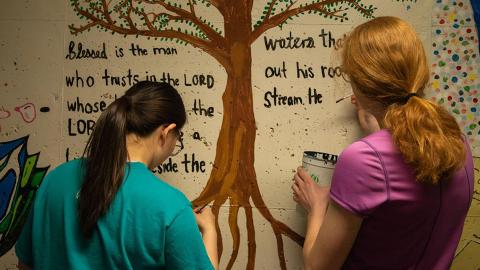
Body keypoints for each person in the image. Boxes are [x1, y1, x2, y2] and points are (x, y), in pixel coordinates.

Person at [292, 16, 474, 270]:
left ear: (359, 85)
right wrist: (374, 128)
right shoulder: (457, 142)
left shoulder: (362, 160)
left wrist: (317, 208)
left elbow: (318, 266)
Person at [16, 81, 219, 270]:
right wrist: (209, 230)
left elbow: (24, 265)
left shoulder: (55, 180)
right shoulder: (170, 207)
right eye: (178, 139)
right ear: (166, 132)